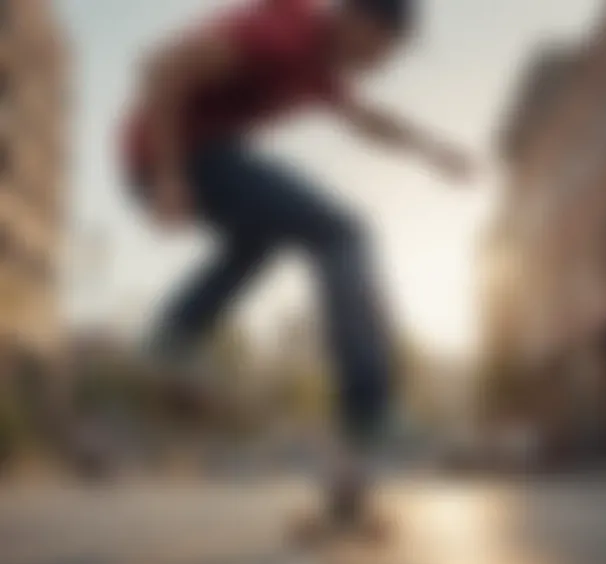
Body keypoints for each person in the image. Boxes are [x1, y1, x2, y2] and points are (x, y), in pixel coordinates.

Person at [121, 0, 476, 524]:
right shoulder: (285, 35)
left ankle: (176, 335)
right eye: (381, 53)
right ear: (359, 21)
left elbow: (370, 122)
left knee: (262, 238)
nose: (378, 68)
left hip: (185, 157)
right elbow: (161, 66)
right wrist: (171, 175)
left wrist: (434, 151)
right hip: (174, 153)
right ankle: (368, 407)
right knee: (342, 232)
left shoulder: (321, 71)